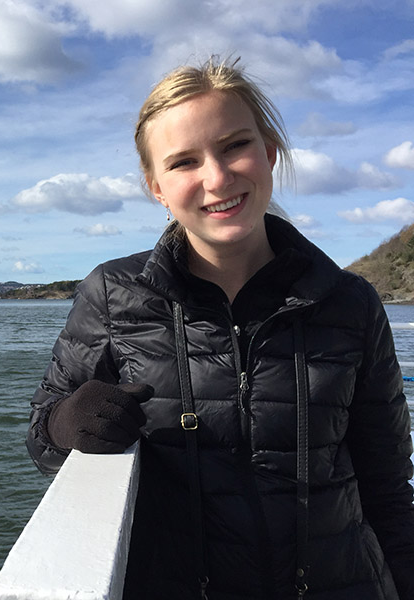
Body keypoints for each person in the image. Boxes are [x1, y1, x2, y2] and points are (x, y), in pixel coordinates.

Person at [26, 57, 414, 599]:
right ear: (156, 187)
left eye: (235, 145)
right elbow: (42, 434)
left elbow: (389, 481)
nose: (216, 177)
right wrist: (70, 422)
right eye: (183, 162)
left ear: (269, 152)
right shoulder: (114, 294)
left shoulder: (350, 302)